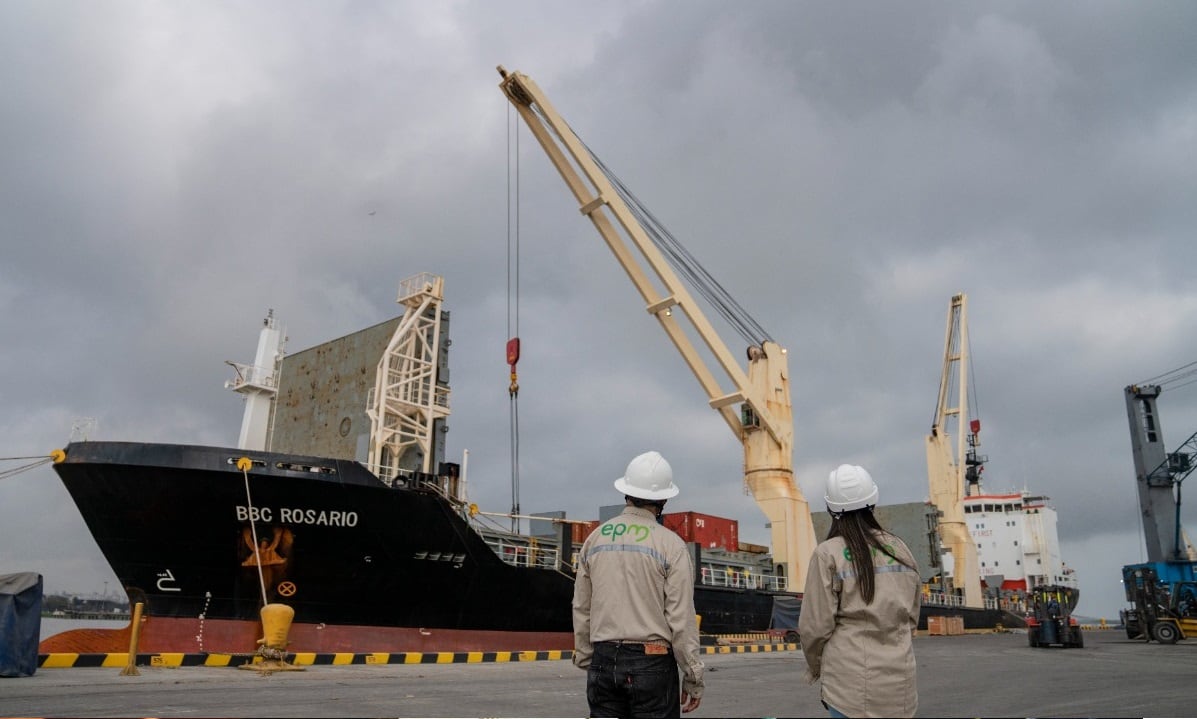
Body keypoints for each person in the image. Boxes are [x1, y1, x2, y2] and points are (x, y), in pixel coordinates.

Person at [572, 450, 704, 717]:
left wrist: (587, 656)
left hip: (603, 659)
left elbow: (581, 606)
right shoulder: (672, 545)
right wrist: (693, 676)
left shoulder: (595, 539)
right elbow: (681, 619)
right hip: (652, 663)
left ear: (626, 491)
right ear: (664, 498)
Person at [799, 464, 921, 718]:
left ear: (832, 509)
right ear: (873, 502)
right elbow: (911, 618)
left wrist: (815, 667)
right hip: (901, 687)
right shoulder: (901, 549)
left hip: (848, 690)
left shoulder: (828, 554)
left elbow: (815, 627)